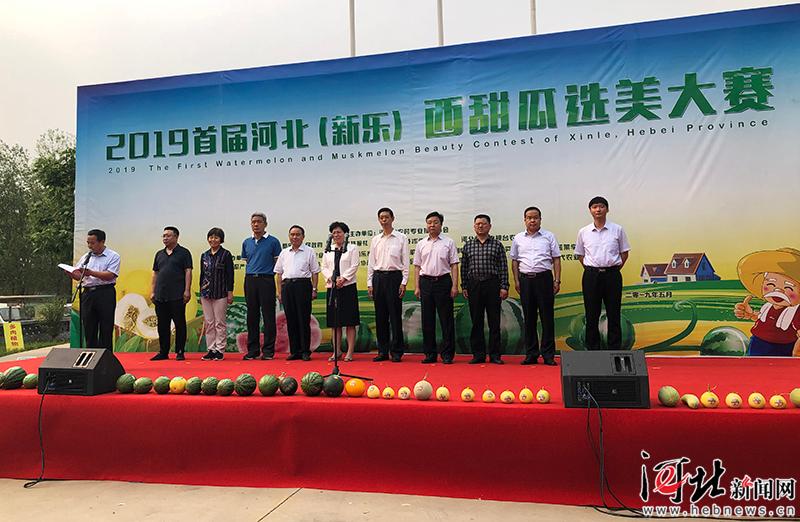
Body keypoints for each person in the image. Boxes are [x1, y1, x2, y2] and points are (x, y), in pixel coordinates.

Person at [575, 196, 630, 351]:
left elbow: (624, 253)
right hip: (591, 276)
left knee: (614, 313)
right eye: (594, 207)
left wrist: (613, 268)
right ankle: (593, 349)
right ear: (590, 210)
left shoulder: (617, 229)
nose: (598, 210)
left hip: (612, 275)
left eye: (601, 206)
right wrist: (592, 268)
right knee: (591, 314)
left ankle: (614, 349)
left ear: (607, 209)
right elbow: (580, 255)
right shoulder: (584, 232)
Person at [511, 207, 561, 365]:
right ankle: (531, 354)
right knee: (529, 318)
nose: (532, 220)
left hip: (544, 279)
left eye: (535, 217)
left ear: (540, 219)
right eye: (529, 217)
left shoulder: (549, 236)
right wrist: (517, 281)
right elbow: (515, 261)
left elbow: (556, 259)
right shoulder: (518, 238)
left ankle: (548, 355)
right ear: (524, 220)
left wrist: (557, 280)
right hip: (526, 281)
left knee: (547, 318)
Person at [461, 214, 509, 365]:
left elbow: (503, 267)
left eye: (483, 223)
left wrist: (504, 286)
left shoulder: (497, 245)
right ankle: (478, 354)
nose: (480, 226)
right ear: (474, 227)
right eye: (477, 224)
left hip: (492, 284)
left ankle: (495, 355)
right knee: (476, 321)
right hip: (474, 285)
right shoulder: (468, 245)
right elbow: (464, 268)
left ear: (489, 226)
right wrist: (464, 286)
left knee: (494, 321)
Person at [734, 248, 800, 356]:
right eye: (771, 284)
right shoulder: (767, 307)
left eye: (788, 288)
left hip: (782, 349)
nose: (778, 291)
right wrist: (751, 314)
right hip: (757, 344)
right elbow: (765, 319)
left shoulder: (796, 312)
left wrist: (796, 354)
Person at [413, 211, 459, 364]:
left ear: (441, 224)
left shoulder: (448, 242)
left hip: (443, 282)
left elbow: (454, 265)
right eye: (429, 222)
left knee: (446, 320)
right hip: (425, 282)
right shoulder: (421, 244)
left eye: (435, 222)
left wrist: (454, 286)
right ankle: (430, 354)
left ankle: (447, 354)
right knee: (427, 320)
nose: (432, 225)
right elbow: (417, 266)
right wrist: (417, 287)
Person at [367, 207, 409, 362]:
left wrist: (404, 282)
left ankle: (396, 351)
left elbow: (405, 262)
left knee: (395, 316)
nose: (384, 220)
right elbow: (371, 263)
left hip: (394, 278)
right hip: (378, 278)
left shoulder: (401, 238)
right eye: (381, 217)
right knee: (380, 316)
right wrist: (370, 283)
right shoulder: (375, 240)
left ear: (392, 218)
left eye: (386, 217)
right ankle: (382, 351)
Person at [68, 229, 120, 349]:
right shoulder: (86, 257)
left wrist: (91, 272)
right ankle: (91, 355)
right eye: (88, 243)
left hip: (105, 293)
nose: (90, 246)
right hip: (88, 294)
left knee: (106, 326)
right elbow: (80, 276)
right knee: (89, 326)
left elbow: (110, 275)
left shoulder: (113, 256)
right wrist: (71, 273)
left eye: (92, 243)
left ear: (102, 242)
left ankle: (106, 356)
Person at [275, 225, 320, 361]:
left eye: (297, 234)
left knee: (303, 319)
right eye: (292, 234)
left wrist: (314, 289)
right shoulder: (284, 253)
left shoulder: (309, 251)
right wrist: (279, 292)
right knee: (291, 320)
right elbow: (279, 273)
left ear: (303, 237)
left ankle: (305, 351)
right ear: (289, 237)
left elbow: (315, 272)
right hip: (287, 286)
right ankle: (294, 351)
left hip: (303, 285)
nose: (295, 237)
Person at [241, 213, 282, 360]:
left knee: (268, 315)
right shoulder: (247, 242)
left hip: (266, 280)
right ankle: (253, 350)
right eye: (253, 222)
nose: (256, 224)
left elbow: (278, 264)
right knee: (252, 315)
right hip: (250, 280)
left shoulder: (273, 241)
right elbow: (248, 261)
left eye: (259, 222)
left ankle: (268, 351)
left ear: (265, 224)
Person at [150, 226, 193, 361]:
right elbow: (155, 273)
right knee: (162, 324)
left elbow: (188, 271)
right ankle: (163, 352)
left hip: (177, 294)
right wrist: (152, 291)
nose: (165, 238)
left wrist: (187, 290)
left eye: (168, 236)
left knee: (179, 323)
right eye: (163, 236)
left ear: (176, 237)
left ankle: (180, 351)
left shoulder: (184, 253)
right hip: (160, 294)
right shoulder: (159, 254)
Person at [321, 222, 360, 362]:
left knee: (349, 321)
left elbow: (354, 265)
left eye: (339, 232)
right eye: (334, 232)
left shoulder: (352, 248)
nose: (336, 235)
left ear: (345, 234)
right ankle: (336, 351)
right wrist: (331, 278)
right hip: (332, 287)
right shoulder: (328, 249)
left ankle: (349, 352)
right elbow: (324, 267)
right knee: (335, 322)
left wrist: (343, 279)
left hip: (347, 286)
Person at [199, 227, 234, 361]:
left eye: (216, 237)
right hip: (206, 293)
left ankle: (219, 349)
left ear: (221, 240)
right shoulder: (204, 255)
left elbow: (230, 275)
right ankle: (211, 349)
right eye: (211, 237)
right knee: (209, 322)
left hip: (221, 293)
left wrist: (230, 292)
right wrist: (201, 292)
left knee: (219, 322)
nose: (213, 240)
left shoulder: (226, 254)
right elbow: (202, 275)